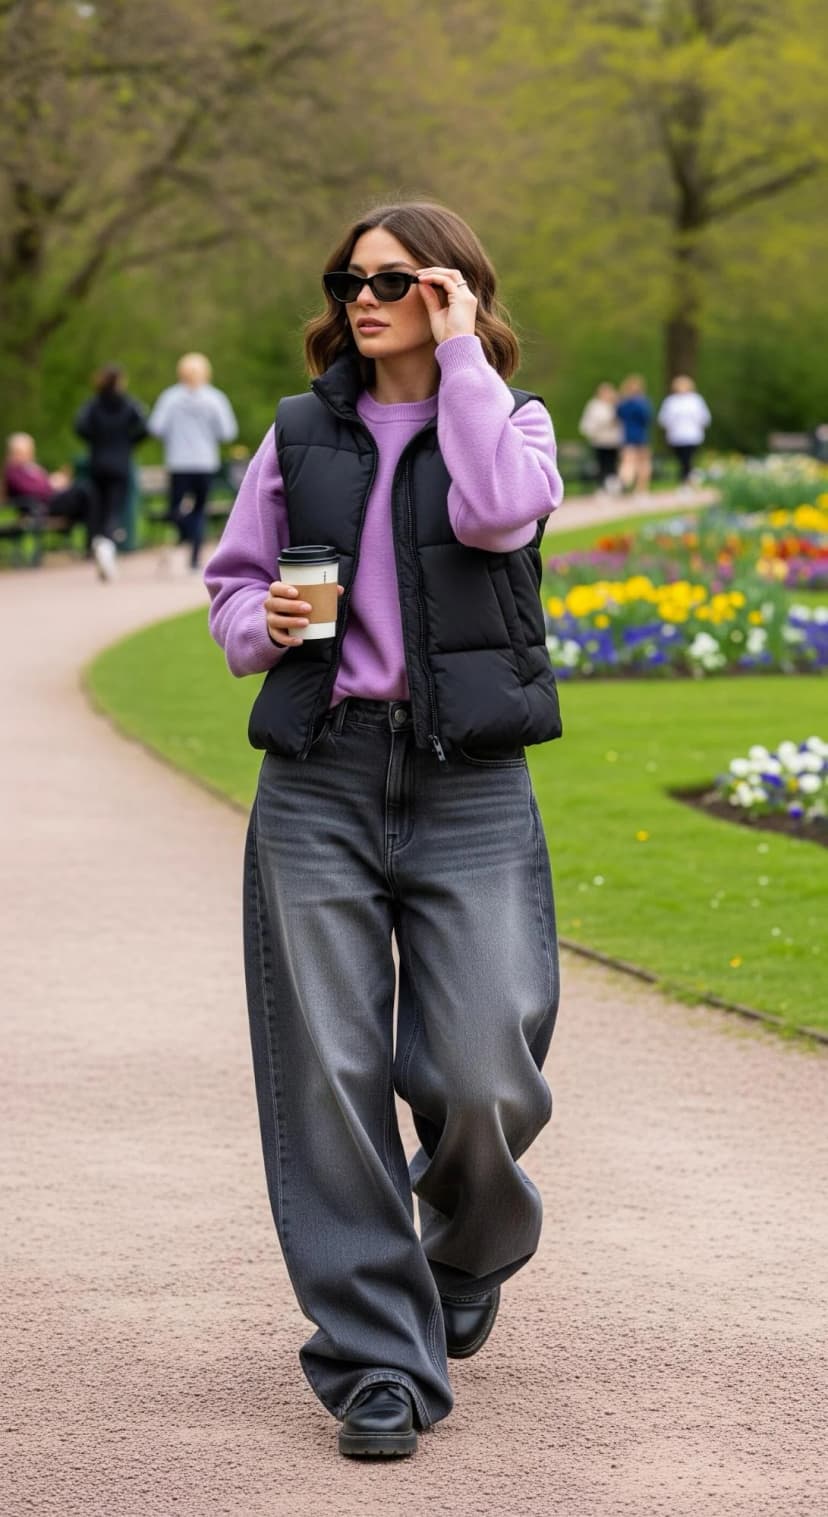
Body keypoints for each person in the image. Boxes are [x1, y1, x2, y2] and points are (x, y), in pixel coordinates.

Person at [205, 201, 564, 1460]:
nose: (365, 297)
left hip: (469, 783)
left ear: (453, 291)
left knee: (481, 1070)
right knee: (329, 1081)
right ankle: (374, 1362)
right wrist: (271, 626)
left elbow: (495, 515)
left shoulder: (512, 422)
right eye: (350, 279)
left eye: (396, 278)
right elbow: (233, 585)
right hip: (322, 778)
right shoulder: (302, 431)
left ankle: (466, 1245)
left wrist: (458, 361)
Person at [148, 352, 238, 571]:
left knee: (175, 510)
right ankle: (194, 558)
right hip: (205, 462)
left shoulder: (170, 397)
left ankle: (186, 536)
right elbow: (228, 432)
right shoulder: (215, 398)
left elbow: (155, 427)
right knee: (199, 510)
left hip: (179, 462)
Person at [74, 364, 148, 580]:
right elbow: (144, 427)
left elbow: (80, 427)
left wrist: (96, 441)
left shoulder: (93, 405)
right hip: (120, 463)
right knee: (115, 507)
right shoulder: (128, 404)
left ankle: (98, 541)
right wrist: (128, 443)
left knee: (99, 504)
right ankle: (106, 542)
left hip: (98, 462)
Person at [3, 432, 94, 544]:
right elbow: (30, 490)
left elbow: (42, 485)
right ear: (14, 452)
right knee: (83, 490)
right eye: (24, 451)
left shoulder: (31, 468)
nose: (29, 454)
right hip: (39, 508)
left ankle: (95, 539)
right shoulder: (13, 471)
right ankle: (96, 540)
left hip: (47, 503)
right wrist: (51, 484)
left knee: (86, 491)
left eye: (29, 450)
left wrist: (56, 481)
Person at [657, 375, 712, 487]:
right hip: (676, 435)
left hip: (692, 435)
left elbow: (704, 417)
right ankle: (689, 477)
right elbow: (663, 419)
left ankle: (685, 480)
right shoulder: (671, 401)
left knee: (688, 458)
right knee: (681, 458)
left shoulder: (695, 400)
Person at [578, 381, 622, 492]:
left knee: (613, 463)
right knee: (601, 464)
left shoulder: (615, 404)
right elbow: (591, 421)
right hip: (599, 440)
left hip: (613, 440)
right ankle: (601, 486)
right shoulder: (594, 405)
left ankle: (612, 486)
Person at [616, 373, 654, 494]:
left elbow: (618, 416)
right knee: (643, 462)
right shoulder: (642, 403)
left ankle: (626, 482)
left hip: (628, 435)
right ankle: (641, 488)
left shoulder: (624, 403)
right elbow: (647, 418)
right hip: (641, 435)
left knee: (628, 461)